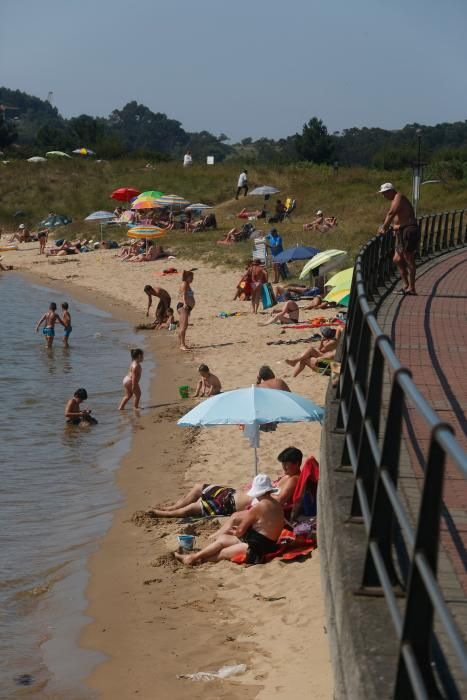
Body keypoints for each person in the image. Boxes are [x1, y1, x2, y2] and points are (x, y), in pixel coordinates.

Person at [149, 447, 302, 520]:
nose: (283, 467)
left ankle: (164, 514)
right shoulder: (287, 475)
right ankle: (173, 507)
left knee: (192, 507)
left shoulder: (293, 480)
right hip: (232, 493)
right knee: (198, 488)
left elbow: (280, 500)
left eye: (286, 464)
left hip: (230, 505)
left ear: (296, 464)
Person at [174, 474, 284, 566]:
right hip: (267, 544)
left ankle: (195, 560)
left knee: (223, 552)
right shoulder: (277, 504)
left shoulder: (258, 507)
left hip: (258, 549)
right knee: (222, 539)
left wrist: (233, 531)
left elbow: (240, 531)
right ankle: (194, 556)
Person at [378, 182, 420, 295]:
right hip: (400, 232)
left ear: (391, 191)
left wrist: (384, 227)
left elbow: (391, 213)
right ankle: (406, 285)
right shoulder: (395, 200)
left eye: (384, 193)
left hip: (408, 231)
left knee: (408, 258)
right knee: (397, 259)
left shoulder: (399, 197)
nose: (383, 196)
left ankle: (412, 288)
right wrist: (395, 228)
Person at [177, 270, 195, 351]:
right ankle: (182, 345)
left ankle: (182, 344)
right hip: (183, 307)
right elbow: (183, 294)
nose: (192, 279)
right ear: (187, 277)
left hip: (186, 308)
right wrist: (185, 304)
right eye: (191, 277)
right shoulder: (184, 284)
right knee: (183, 327)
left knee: (184, 326)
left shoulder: (187, 284)